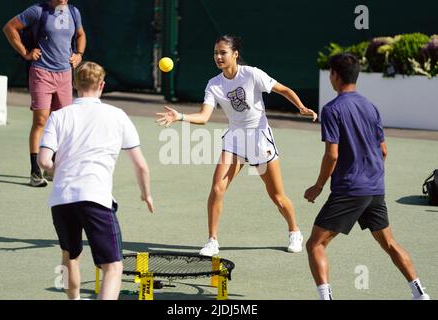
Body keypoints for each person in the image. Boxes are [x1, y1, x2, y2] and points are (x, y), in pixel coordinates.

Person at [156, 35, 317, 256]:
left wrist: (300, 107)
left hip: (260, 139)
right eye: (215, 53)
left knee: (277, 196)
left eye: (223, 52)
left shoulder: (252, 74)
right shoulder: (214, 84)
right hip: (235, 140)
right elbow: (204, 117)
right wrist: (180, 116)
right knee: (217, 189)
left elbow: (284, 89)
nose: (218, 57)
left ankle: (294, 231)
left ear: (235, 54)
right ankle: (212, 240)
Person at [304, 53, 430, 300]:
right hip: (374, 190)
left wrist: (318, 186)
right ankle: (420, 294)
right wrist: (369, 175)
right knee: (390, 244)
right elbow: (383, 150)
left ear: (335, 76)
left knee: (315, 245)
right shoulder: (371, 107)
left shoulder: (332, 109)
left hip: (350, 191)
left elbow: (332, 155)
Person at [38, 62, 154, 300]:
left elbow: (44, 161)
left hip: (61, 199)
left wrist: (55, 171)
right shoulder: (117, 115)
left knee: (70, 256)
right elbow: (141, 164)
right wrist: (146, 194)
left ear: (74, 84)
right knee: (113, 267)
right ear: (102, 85)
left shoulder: (58, 116)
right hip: (96, 199)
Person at [3, 0, 86, 187]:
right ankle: (35, 171)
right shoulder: (37, 11)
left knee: (62, 122)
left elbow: (81, 35)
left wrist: (79, 54)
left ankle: (53, 168)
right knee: (41, 120)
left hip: (65, 74)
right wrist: (25, 52)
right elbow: (9, 28)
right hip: (42, 72)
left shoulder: (73, 12)